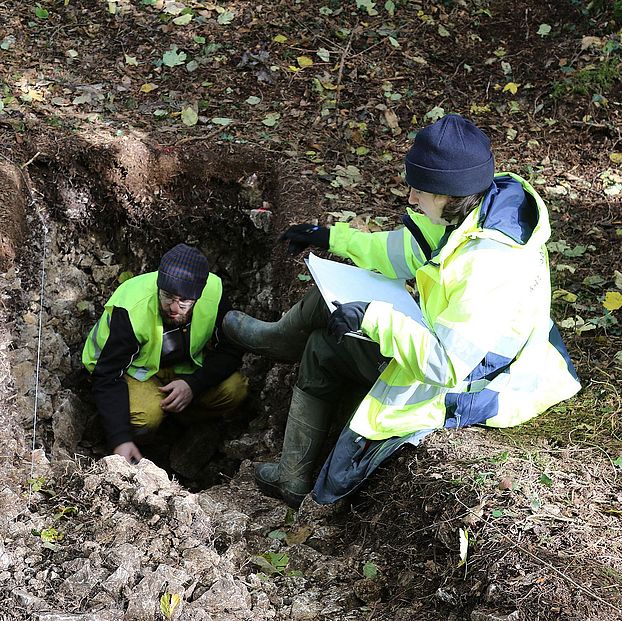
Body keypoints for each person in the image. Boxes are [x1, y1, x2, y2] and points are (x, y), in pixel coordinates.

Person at [223, 114, 582, 508]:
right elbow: (405, 253)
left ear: (448, 194)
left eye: (419, 189)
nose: (410, 197)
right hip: (446, 341)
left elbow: (446, 366)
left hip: (478, 377)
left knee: (325, 355)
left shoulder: (488, 263)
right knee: (325, 318)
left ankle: (293, 477)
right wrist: (333, 238)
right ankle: (280, 360)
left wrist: (373, 319)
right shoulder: (474, 212)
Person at [82, 243, 248, 464]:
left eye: (184, 302)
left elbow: (231, 348)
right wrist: (119, 438)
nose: (174, 307)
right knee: (146, 418)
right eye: (168, 296)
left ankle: (179, 419)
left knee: (235, 389)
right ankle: (147, 440)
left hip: (182, 370)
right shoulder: (132, 308)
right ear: (159, 285)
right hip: (132, 372)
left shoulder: (213, 295)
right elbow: (107, 376)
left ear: (197, 297)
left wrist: (193, 385)